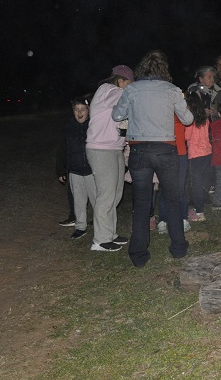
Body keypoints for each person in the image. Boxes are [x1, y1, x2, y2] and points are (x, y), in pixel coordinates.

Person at [112, 51, 194, 267]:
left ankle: (138, 255)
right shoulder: (172, 90)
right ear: (163, 69)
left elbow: (116, 115)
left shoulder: (132, 89)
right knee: (172, 200)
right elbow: (188, 119)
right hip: (165, 150)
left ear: (142, 69)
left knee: (141, 203)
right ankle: (178, 248)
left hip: (139, 150)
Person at [86, 64, 133, 252]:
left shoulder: (118, 94)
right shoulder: (106, 90)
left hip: (115, 148)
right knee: (106, 194)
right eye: (129, 83)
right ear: (120, 81)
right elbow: (128, 96)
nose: (129, 87)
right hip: (100, 148)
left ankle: (110, 233)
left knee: (116, 193)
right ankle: (100, 240)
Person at [56, 95, 95, 239]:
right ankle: (80, 227)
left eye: (83, 109)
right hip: (75, 170)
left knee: (97, 200)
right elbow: (62, 149)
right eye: (76, 110)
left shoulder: (94, 125)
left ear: (89, 110)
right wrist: (60, 169)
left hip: (92, 171)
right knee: (78, 201)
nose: (79, 113)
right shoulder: (68, 127)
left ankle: (100, 225)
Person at [184, 91, 213, 222]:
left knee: (195, 183)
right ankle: (201, 205)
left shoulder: (190, 120)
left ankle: (199, 211)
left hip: (195, 154)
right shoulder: (204, 118)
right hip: (206, 152)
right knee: (202, 181)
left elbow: (186, 136)